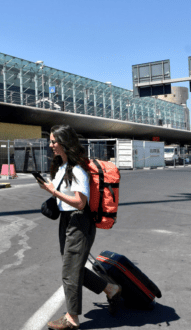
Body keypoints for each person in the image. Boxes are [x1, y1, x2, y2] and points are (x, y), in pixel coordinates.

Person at [38, 125, 121, 330]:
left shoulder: (77, 169)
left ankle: (72, 319)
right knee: (73, 268)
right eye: (50, 141)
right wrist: (51, 187)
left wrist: (53, 192)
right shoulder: (62, 166)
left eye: (54, 142)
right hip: (66, 221)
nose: (51, 146)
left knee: (69, 272)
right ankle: (111, 289)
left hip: (79, 221)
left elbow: (80, 202)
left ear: (64, 143)